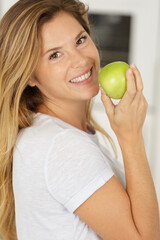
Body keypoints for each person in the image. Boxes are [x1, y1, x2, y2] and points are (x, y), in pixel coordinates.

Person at [0, 0, 159, 239]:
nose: (80, 60)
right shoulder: (63, 146)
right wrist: (131, 137)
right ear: (30, 76)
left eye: (80, 40)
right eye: (55, 55)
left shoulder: (48, 133)